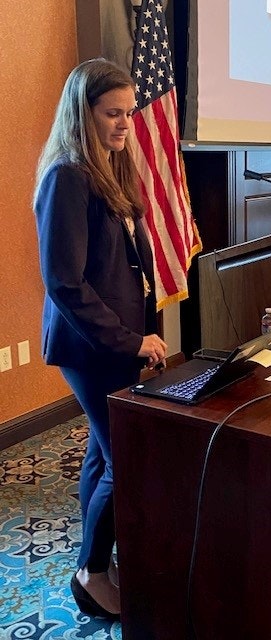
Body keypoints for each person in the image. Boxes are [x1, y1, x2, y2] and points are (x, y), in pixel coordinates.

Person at [33, 58, 167, 619]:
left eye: (129, 113)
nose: (123, 124)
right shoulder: (67, 175)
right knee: (124, 458)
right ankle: (90, 571)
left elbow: (128, 262)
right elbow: (64, 281)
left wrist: (148, 329)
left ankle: (101, 556)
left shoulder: (107, 168)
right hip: (91, 346)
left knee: (101, 448)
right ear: (81, 113)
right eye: (112, 114)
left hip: (114, 338)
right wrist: (128, 342)